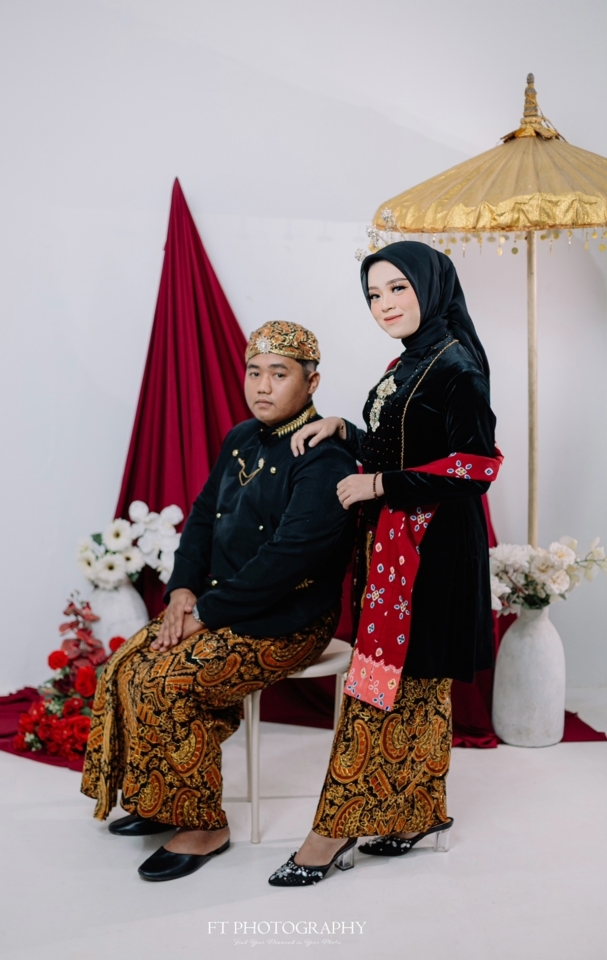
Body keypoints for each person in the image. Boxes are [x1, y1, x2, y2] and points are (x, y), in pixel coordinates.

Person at [81, 321, 357, 882]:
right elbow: (204, 516)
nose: (262, 386)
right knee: (129, 664)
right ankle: (161, 800)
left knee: (167, 680)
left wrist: (204, 614)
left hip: (289, 619)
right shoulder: (240, 437)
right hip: (220, 603)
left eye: (279, 374)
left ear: (311, 383)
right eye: (254, 372)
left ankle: (204, 826)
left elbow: (287, 560)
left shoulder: (325, 458)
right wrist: (184, 589)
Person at [268, 241, 502, 886]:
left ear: (431, 286)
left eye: (398, 288)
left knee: (383, 687)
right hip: (398, 546)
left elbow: (476, 467)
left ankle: (330, 833)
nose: (385, 304)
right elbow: (405, 444)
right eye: (374, 294)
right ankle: (417, 814)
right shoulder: (413, 359)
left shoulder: (455, 366)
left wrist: (379, 485)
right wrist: (346, 430)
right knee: (413, 685)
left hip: (432, 553)